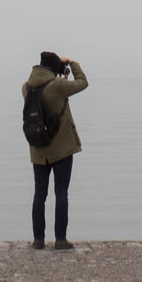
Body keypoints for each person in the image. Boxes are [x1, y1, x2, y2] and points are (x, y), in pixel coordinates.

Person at [22, 51, 89, 250]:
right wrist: (72, 63)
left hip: (38, 150)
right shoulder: (58, 86)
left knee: (39, 195)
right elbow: (82, 82)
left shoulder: (26, 88)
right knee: (61, 193)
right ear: (54, 68)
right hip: (61, 149)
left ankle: (38, 240)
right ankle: (60, 239)